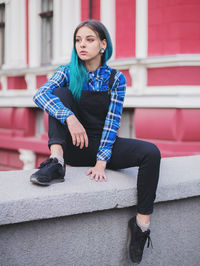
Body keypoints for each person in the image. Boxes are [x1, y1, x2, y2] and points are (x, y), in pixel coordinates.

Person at [30, 19, 161, 264]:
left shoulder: (115, 79)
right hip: (74, 146)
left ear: (103, 44)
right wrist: (69, 117)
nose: (82, 45)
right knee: (58, 93)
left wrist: (102, 161)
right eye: (78, 40)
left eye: (89, 40)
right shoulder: (67, 71)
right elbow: (39, 94)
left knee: (151, 153)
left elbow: (112, 123)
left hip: (103, 146)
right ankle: (56, 161)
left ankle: (142, 226)